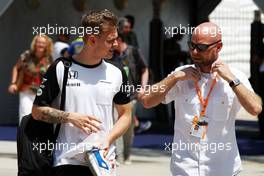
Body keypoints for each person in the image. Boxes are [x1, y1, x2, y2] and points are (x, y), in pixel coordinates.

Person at [138, 22, 262, 176]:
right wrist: (174, 78)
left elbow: (255, 108)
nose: (194, 51)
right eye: (192, 45)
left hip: (223, 169)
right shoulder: (180, 75)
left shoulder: (235, 76)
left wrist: (231, 79)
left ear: (219, 47)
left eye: (201, 47)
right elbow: (147, 101)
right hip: (185, 169)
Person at [31, 9, 131, 176]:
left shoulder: (117, 72)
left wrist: (107, 139)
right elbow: (36, 111)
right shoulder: (61, 67)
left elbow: (126, 115)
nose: (116, 44)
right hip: (66, 161)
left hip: (103, 162)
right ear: (92, 40)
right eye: (110, 40)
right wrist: (70, 117)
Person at [108, 32, 149, 164]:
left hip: (131, 96)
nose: (112, 44)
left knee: (129, 128)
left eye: (113, 41)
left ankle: (127, 154)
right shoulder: (110, 54)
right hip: (113, 96)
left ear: (119, 40)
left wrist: (142, 88)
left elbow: (144, 69)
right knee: (116, 124)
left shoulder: (134, 52)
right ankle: (118, 156)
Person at [8, 34, 53, 123]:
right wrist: (13, 83)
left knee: (39, 118)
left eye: (43, 43)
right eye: (38, 42)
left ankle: (37, 137)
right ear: (34, 43)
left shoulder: (49, 58)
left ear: (47, 45)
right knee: (25, 115)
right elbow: (16, 68)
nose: (40, 45)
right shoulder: (26, 55)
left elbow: (52, 75)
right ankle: (23, 136)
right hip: (26, 90)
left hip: (41, 93)